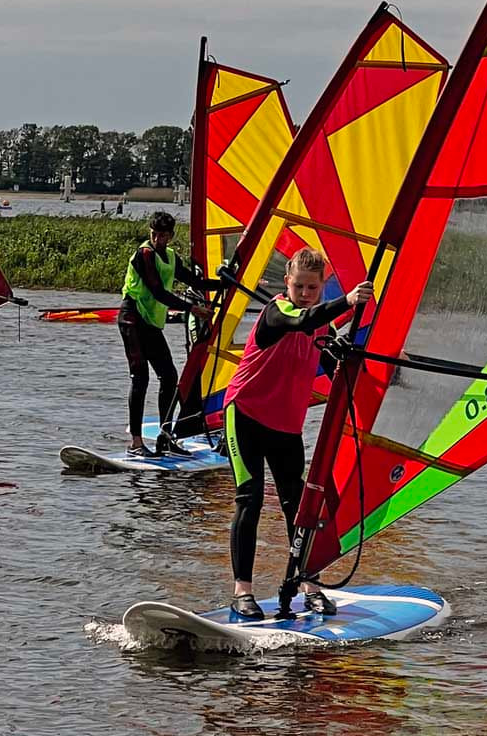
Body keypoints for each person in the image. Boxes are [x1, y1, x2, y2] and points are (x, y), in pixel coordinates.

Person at [222, 248, 373, 621]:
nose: (305, 293)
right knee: (250, 498)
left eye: (312, 287)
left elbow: (330, 360)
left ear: (321, 286)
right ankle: (242, 592)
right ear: (286, 283)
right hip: (244, 416)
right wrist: (348, 301)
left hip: (285, 427)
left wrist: (361, 360)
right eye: (299, 286)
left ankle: (310, 584)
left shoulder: (321, 323)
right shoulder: (278, 313)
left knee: (298, 504)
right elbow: (301, 321)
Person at [118, 210, 220, 457]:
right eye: (154, 234)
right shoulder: (144, 255)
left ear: (171, 236)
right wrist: (193, 308)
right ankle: (136, 443)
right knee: (140, 377)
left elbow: (196, 283)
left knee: (169, 376)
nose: (157, 239)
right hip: (132, 318)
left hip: (151, 323)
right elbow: (157, 292)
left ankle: (165, 438)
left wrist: (228, 282)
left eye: (162, 236)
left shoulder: (171, 257)